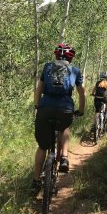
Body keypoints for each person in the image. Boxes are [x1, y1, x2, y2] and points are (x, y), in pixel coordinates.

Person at [33, 43, 85, 192]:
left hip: (45, 108)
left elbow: (39, 89)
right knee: (65, 127)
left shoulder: (47, 67)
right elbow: (82, 93)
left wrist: (37, 106)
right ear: (71, 57)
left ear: (56, 55)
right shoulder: (75, 70)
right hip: (65, 108)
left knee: (42, 147)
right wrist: (80, 111)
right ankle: (64, 157)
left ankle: (35, 182)